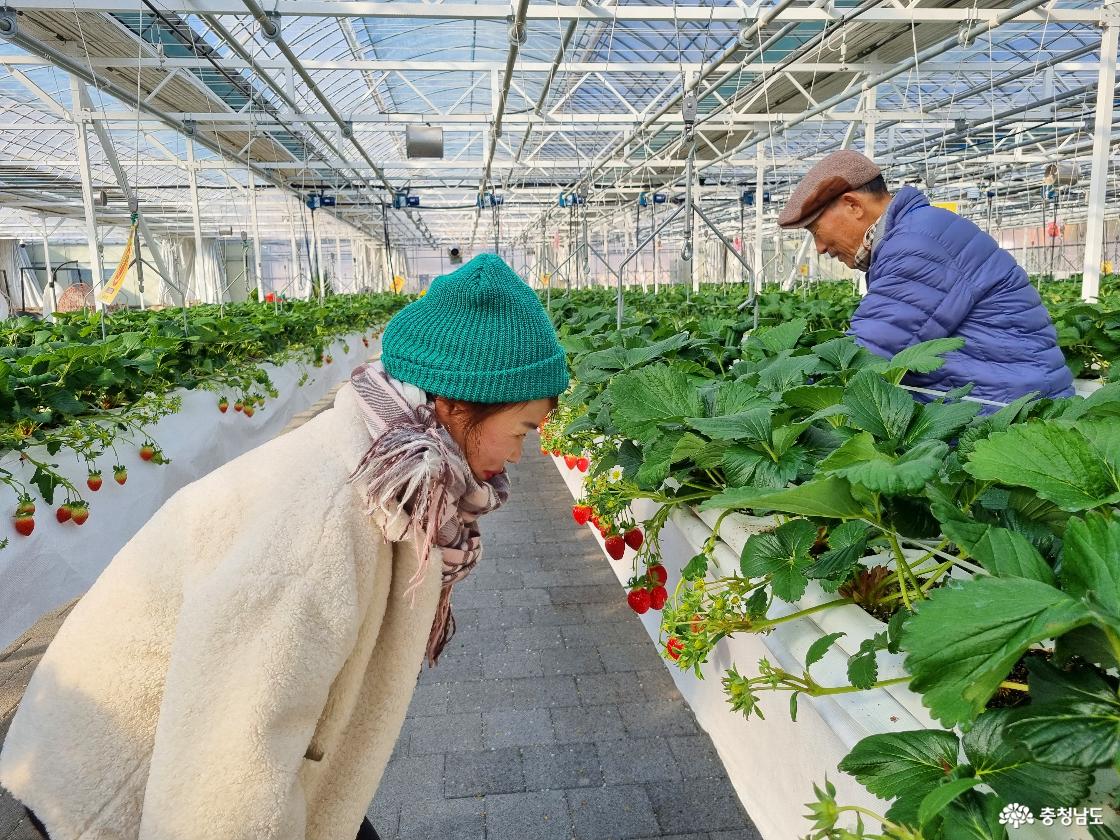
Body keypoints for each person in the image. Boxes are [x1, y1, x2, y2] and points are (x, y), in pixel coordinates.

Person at [0, 253, 568, 840]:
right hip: (120, 776)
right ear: (455, 406)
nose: (522, 455)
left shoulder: (391, 473)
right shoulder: (319, 522)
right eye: (523, 430)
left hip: (196, 739)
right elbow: (224, 772)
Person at [777, 149, 1074, 406]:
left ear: (853, 205)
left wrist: (783, 391)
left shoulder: (918, 244)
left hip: (1008, 413)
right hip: (1005, 398)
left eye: (816, 231)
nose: (820, 248)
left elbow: (868, 353)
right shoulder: (916, 232)